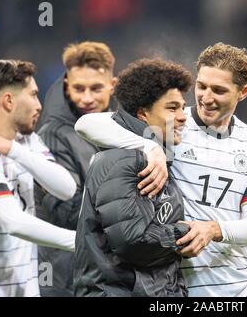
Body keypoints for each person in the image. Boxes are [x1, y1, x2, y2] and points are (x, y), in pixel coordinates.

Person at [75, 43, 247, 297]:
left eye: (219, 90)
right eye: (201, 87)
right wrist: (149, 146)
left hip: (237, 286)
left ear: (243, 92)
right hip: (177, 288)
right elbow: (85, 124)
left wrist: (213, 229)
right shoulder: (172, 126)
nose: (207, 97)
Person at [73, 58, 194, 297]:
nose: (182, 117)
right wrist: (188, 233)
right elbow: (131, 242)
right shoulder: (125, 160)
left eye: (182, 107)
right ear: (143, 115)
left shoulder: (156, 156)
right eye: (172, 108)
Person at [34, 41, 119, 297]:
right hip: (64, 277)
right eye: (78, 88)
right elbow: (67, 213)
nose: (87, 98)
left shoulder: (119, 131)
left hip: (99, 273)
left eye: (96, 88)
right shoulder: (53, 135)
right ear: (66, 86)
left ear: (112, 85)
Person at [0, 59, 77, 297]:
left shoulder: (26, 141)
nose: (40, 105)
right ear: (8, 101)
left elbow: (66, 188)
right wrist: (79, 241)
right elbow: (13, 222)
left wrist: (14, 150)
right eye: (34, 95)